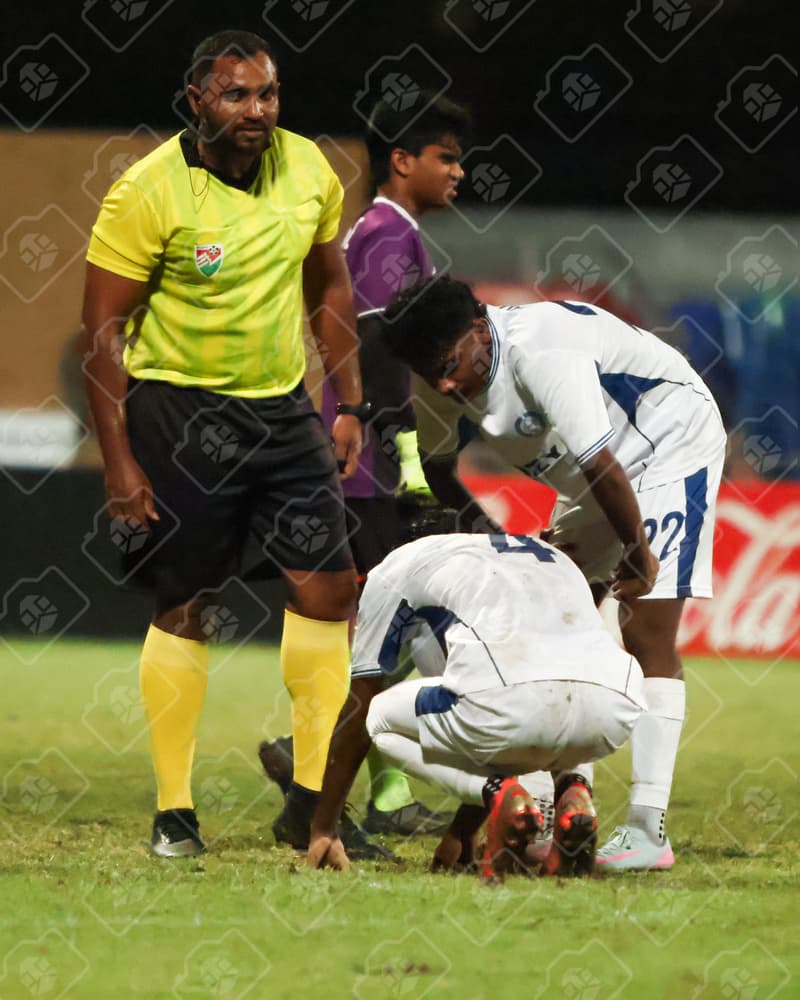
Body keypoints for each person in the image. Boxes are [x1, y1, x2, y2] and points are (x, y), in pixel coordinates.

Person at [82, 29, 369, 858]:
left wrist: (349, 402)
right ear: (197, 100)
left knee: (330, 591)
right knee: (187, 605)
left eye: (269, 94)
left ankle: (313, 803)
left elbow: (331, 286)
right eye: (238, 95)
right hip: (179, 412)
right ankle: (176, 809)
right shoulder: (148, 192)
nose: (257, 110)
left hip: (283, 413)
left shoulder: (309, 171)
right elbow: (101, 330)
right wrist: (120, 461)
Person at [379, 276, 727, 871]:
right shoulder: (437, 375)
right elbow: (440, 472)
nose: (444, 384)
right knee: (549, 626)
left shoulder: (540, 347)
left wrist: (638, 553)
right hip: (596, 478)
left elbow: (600, 460)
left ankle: (648, 829)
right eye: (431, 373)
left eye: (450, 365)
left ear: (478, 329)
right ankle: (551, 806)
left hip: (668, 442)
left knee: (645, 630)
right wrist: (493, 544)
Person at [258, 94, 470, 839]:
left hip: (364, 456)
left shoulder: (395, 235)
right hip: (360, 459)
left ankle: (375, 796)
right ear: (402, 162)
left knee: (378, 623)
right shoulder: (386, 236)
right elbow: (375, 353)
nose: (459, 170)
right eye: (445, 156)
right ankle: (311, 780)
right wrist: (409, 459)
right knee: (393, 623)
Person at [306, 531, 647, 877]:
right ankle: (575, 791)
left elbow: (360, 702)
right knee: (541, 694)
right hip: (614, 707)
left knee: (378, 717)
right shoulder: (541, 552)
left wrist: (322, 828)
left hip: (513, 706)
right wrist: (462, 831)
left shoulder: (392, 571)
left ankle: (496, 792)